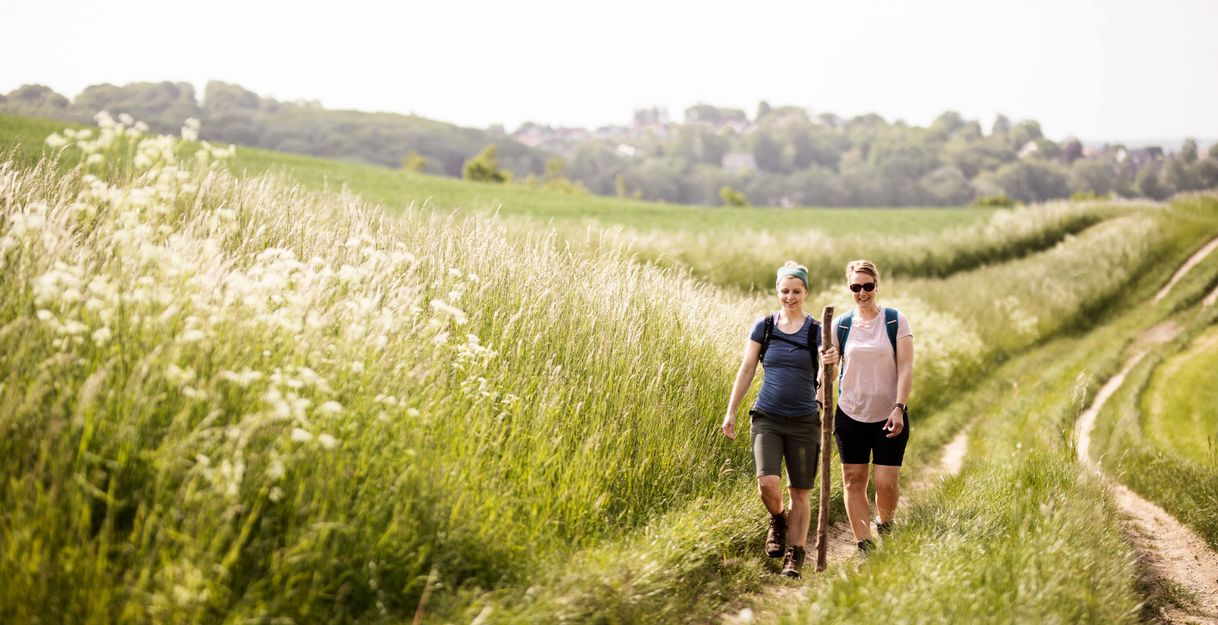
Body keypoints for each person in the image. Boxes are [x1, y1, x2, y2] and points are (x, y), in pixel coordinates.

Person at [721, 261, 838, 579]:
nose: (790, 297)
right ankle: (778, 519)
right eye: (785, 291)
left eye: (796, 291)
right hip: (767, 417)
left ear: (806, 292)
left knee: (800, 491)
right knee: (767, 483)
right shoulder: (765, 327)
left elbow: (827, 374)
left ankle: (795, 555)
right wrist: (731, 411)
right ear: (777, 291)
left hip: (804, 421)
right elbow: (747, 369)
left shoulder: (817, 330)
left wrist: (831, 363)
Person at [827, 259, 913, 555]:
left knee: (885, 483)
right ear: (849, 288)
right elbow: (829, 373)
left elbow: (906, 367)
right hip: (850, 413)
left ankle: (886, 524)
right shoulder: (841, 325)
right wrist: (827, 363)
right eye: (855, 287)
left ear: (876, 286)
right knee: (853, 481)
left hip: (889, 414)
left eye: (867, 286)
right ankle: (864, 546)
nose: (862, 292)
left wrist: (899, 407)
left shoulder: (895, 321)